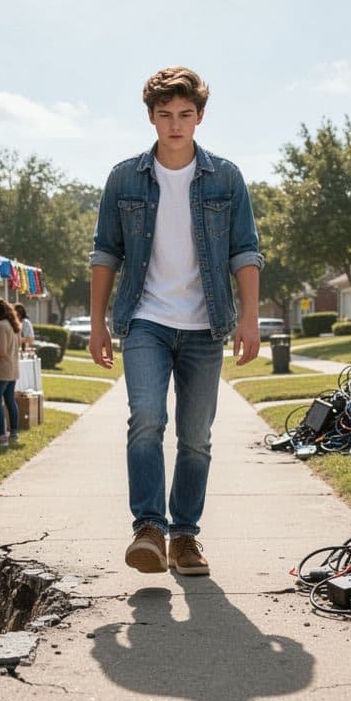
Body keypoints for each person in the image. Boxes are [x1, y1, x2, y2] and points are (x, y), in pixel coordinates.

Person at [89, 66, 262, 577]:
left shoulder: (226, 177)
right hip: (145, 319)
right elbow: (105, 254)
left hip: (206, 325)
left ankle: (185, 536)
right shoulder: (124, 178)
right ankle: (149, 528)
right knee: (146, 417)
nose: (175, 124)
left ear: (200, 116)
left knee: (195, 436)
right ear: (151, 117)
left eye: (185, 114)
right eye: (165, 115)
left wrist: (249, 318)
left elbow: (245, 251)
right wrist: (98, 323)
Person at [0, 297, 21, 446]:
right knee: (9, 400)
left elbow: (0, 350)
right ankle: (13, 431)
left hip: (2, 368)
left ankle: (1, 434)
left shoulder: (0, 325)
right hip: (12, 368)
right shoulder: (13, 324)